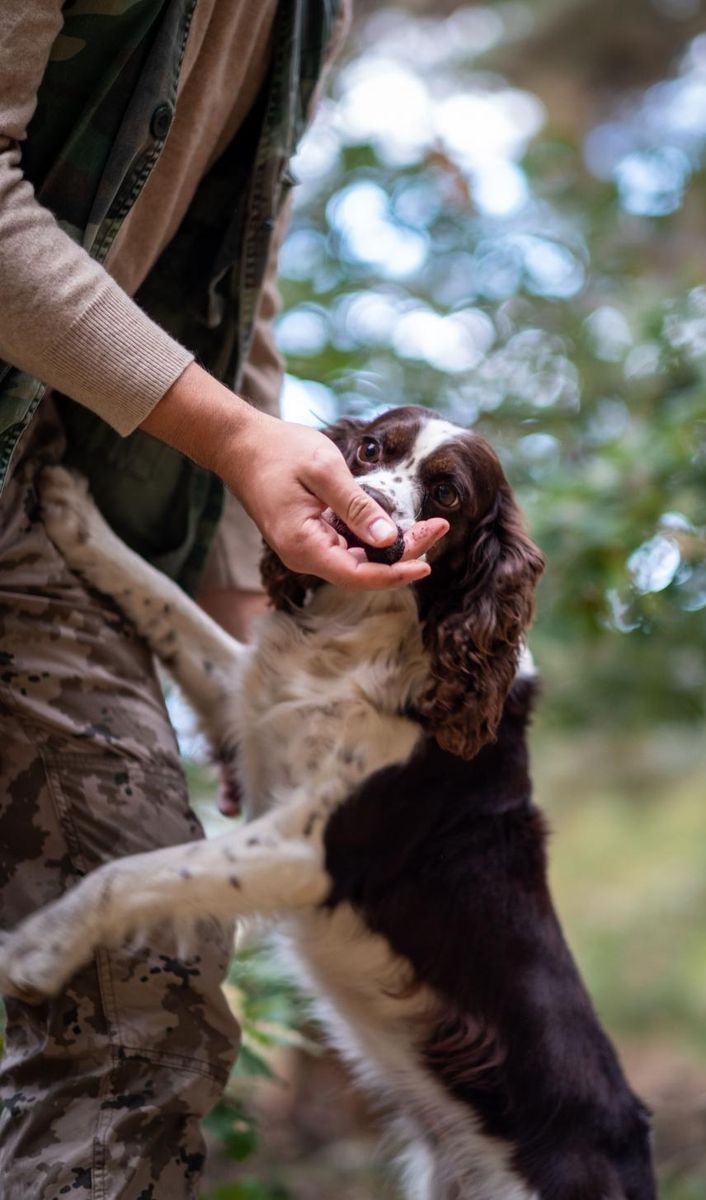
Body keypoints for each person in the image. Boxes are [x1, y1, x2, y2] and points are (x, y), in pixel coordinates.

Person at [0, 2, 446, 1195]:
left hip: (35, 469)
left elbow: (228, 282)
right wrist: (235, 434)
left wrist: (260, 640)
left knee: (145, 1000)